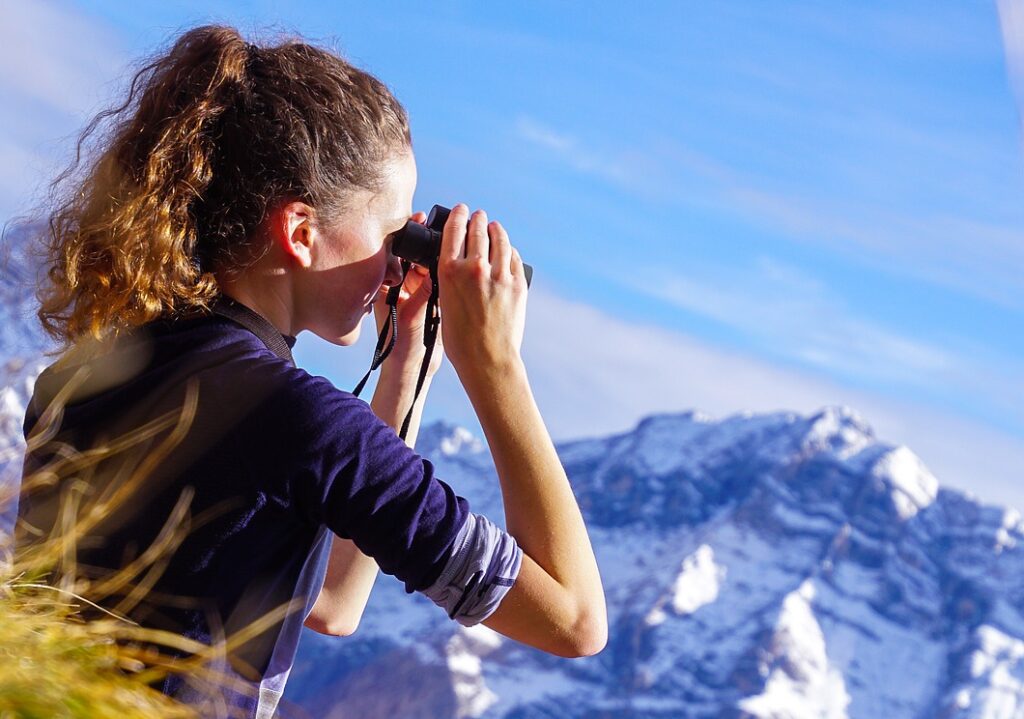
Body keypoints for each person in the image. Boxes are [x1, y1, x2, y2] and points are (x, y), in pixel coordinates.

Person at [13, 23, 606, 718]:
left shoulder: (94, 374)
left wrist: (410, 356)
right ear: (299, 232)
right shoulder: (302, 420)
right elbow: (574, 620)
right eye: (393, 234)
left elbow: (332, 604)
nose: (397, 262)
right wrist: (495, 364)